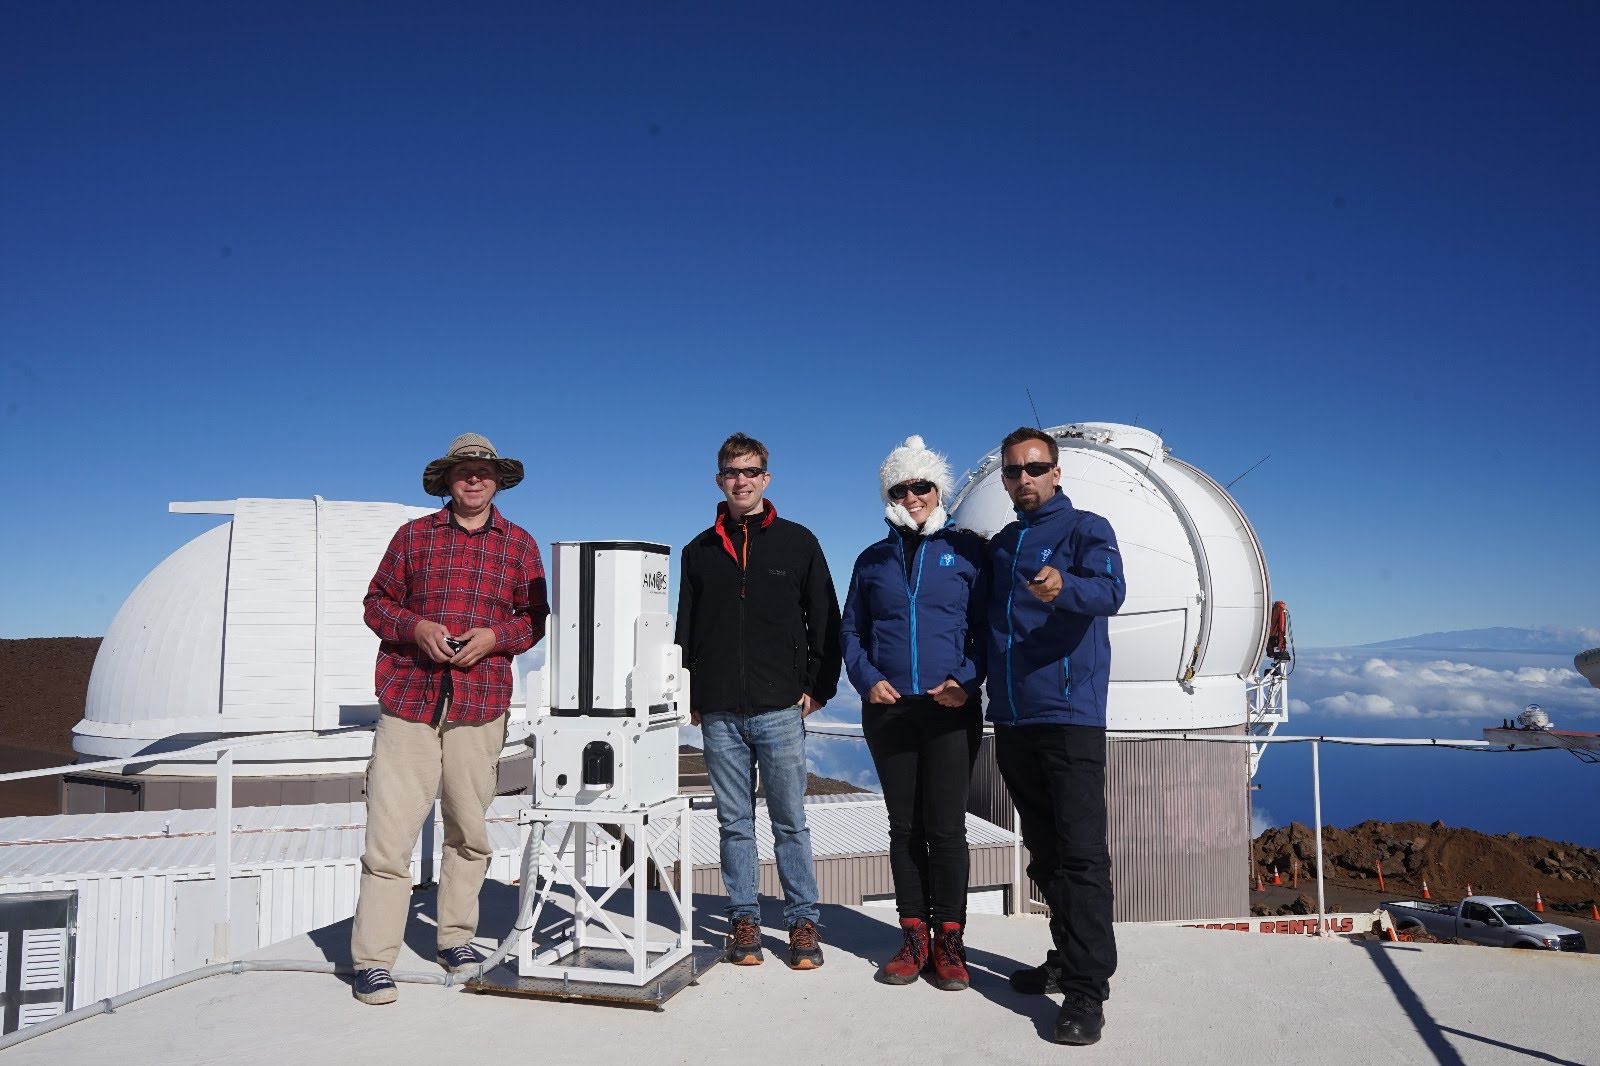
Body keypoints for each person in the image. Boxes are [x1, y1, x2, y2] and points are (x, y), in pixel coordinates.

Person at [349, 433, 549, 1005]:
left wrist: (494, 637)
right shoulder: (413, 538)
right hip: (411, 700)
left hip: (480, 702)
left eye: (484, 471)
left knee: (469, 830)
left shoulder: (519, 544)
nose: (474, 479)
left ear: (497, 480)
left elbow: (534, 619)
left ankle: (456, 938)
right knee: (389, 838)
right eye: (464, 470)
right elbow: (376, 602)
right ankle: (373, 960)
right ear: (448, 479)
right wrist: (416, 629)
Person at [675, 432, 842, 970]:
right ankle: (743, 919)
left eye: (750, 472)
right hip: (720, 710)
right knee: (734, 822)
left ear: (766, 479)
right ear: (719, 479)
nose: (741, 481)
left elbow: (825, 619)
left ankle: (801, 921)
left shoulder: (798, 543)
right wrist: (690, 692)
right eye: (731, 472)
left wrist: (818, 686)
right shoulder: (698, 551)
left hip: (779, 709)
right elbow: (685, 629)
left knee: (790, 821)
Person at [986, 426, 1125, 1046]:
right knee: (1044, 854)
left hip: (1069, 718)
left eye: (1035, 468)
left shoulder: (1087, 530)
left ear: (1056, 471)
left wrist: (1064, 586)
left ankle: (1088, 993)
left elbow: (1111, 591)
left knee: (1082, 856)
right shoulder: (1003, 544)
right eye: (1014, 471)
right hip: (1013, 719)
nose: (1024, 480)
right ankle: (1066, 956)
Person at [840, 435, 988, 991]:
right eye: (901, 488)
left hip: (949, 710)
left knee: (946, 829)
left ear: (938, 489)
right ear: (890, 494)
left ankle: (950, 944)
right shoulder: (871, 560)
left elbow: (986, 630)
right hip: (890, 711)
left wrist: (967, 682)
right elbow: (851, 630)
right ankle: (913, 939)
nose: (912, 496)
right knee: (904, 828)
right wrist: (868, 679)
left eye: (922, 485)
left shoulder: (967, 553)